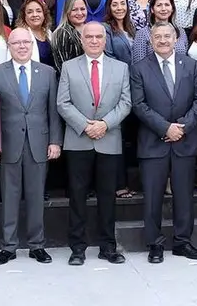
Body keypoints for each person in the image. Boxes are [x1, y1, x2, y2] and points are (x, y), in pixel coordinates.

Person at [130, 22, 197, 263]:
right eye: (157, 37)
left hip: (184, 140)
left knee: (184, 196)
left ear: (176, 39)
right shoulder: (139, 68)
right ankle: (155, 244)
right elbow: (138, 105)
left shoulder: (191, 65)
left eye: (167, 36)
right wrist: (165, 128)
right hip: (154, 141)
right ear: (150, 41)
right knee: (152, 197)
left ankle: (183, 242)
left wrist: (182, 127)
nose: (163, 41)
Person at [56, 21, 131, 266]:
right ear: (82, 39)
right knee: (77, 197)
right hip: (78, 140)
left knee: (107, 197)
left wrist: (104, 124)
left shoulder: (120, 68)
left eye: (99, 36)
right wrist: (87, 125)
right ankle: (77, 248)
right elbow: (63, 103)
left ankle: (108, 246)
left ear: (105, 39)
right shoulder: (68, 67)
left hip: (108, 139)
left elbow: (125, 103)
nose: (95, 40)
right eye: (89, 37)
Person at [0, 28, 62, 266]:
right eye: (16, 43)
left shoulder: (48, 73)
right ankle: (8, 247)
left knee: (36, 196)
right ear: (8, 46)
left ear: (32, 45)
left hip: (39, 143)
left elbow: (53, 110)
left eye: (25, 42)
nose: (21, 46)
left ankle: (36, 245)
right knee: (9, 197)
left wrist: (55, 141)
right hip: (9, 145)